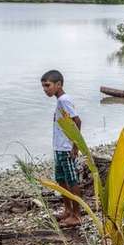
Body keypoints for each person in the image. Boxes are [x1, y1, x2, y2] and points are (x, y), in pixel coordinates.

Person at [42, 70, 82, 227]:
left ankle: (77, 215)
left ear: (58, 84)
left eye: (48, 85)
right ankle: (67, 210)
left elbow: (77, 121)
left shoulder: (64, 101)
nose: (45, 89)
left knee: (72, 180)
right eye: (43, 86)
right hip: (59, 147)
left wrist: (75, 146)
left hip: (66, 148)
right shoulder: (60, 101)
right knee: (60, 179)